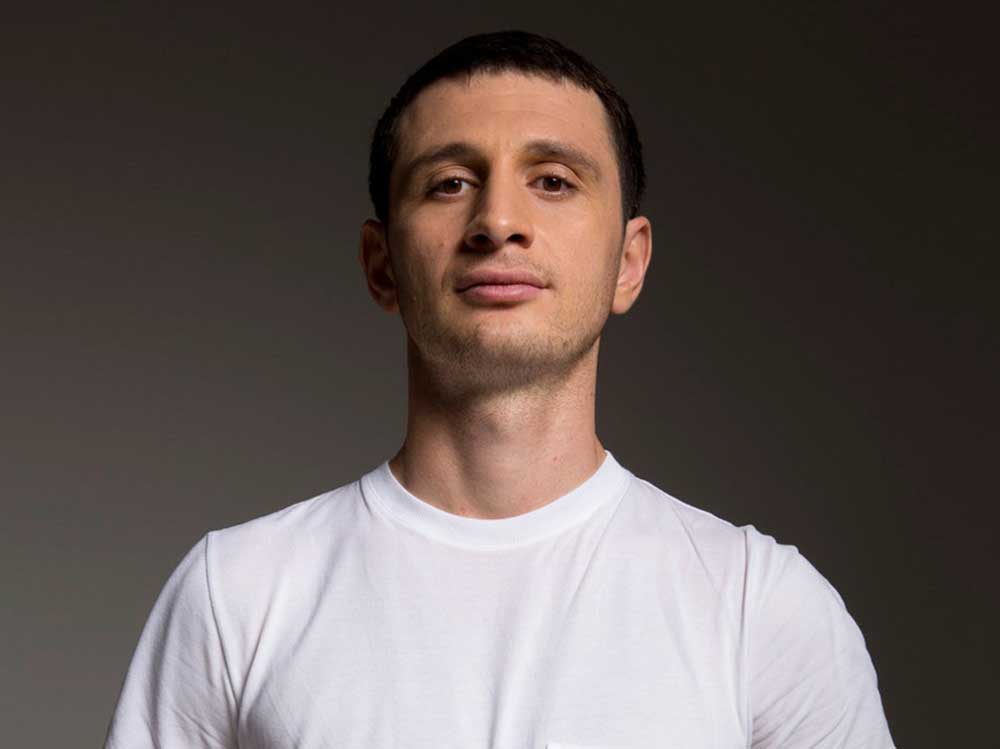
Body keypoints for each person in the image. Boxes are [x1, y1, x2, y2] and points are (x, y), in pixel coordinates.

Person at [103, 30, 895, 748]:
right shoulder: (235, 595)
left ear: (628, 261)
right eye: (450, 183)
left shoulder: (763, 608)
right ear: (381, 264)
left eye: (553, 180)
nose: (499, 220)